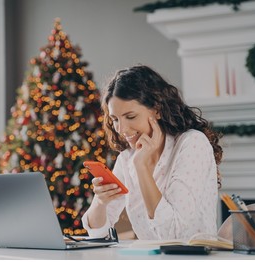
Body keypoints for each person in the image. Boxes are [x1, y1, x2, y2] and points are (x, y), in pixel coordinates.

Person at [81, 65, 223, 240]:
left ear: (156, 109)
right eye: (115, 119)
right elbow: (97, 233)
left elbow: (174, 235)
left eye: (130, 117)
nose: (121, 129)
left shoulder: (192, 144)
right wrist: (101, 202)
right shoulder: (127, 158)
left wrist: (142, 168)